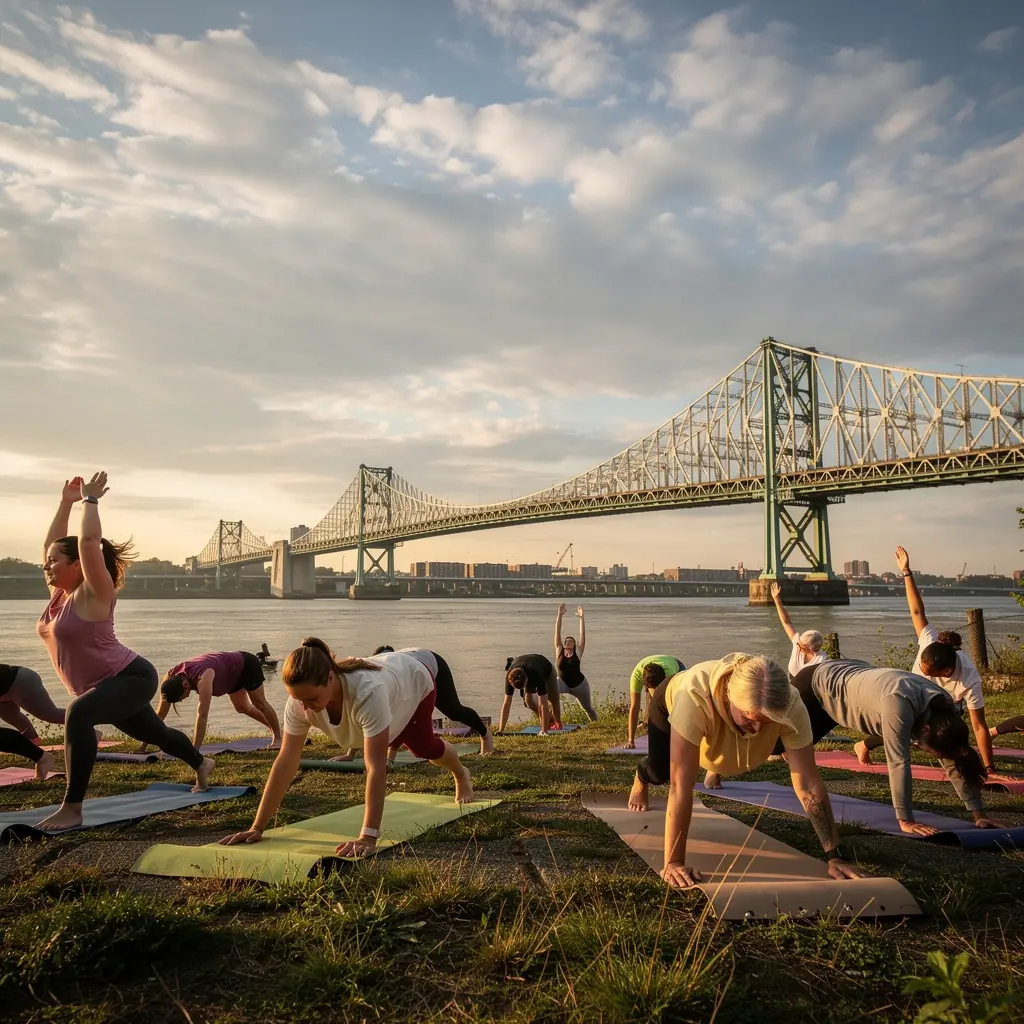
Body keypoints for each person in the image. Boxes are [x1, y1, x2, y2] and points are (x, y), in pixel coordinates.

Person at [34, 474, 214, 831]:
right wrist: (65, 502)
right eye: (47, 562)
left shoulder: (94, 593)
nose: (47, 565)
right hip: (104, 685)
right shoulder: (59, 595)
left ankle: (72, 807)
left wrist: (90, 501)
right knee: (157, 735)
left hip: (130, 678)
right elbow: (51, 546)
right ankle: (201, 763)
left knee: (78, 714)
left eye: (55, 561)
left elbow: (87, 541)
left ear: (76, 566)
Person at [219, 638, 474, 857]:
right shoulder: (299, 703)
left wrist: (368, 837)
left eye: (311, 699)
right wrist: (257, 827)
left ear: (331, 678)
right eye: (298, 699)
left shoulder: (367, 692)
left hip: (413, 682)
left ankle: (461, 774)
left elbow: (375, 767)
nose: (305, 707)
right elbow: (286, 760)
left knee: (423, 747)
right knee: (390, 738)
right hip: (388, 686)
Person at [640, 653, 863, 890]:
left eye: (765, 722)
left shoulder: (791, 705)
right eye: (750, 719)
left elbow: (807, 782)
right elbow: (680, 785)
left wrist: (835, 855)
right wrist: (674, 862)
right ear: (729, 699)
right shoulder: (694, 697)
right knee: (659, 773)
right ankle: (640, 777)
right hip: (670, 700)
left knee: (771, 738)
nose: (757, 729)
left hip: (726, 719)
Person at [787, 660, 1000, 835]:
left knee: (797, 748)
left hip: (850, 686)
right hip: (817, 685)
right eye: (932, 752)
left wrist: (979, 814)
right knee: (779, 746)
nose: (932, 755)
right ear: (925, 730)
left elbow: (953, 758)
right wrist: (905, 819)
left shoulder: (945, 711)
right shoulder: (899, 704)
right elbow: (899, 763)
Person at [854, 547, 997, 772]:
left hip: (945, 703)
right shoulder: (931, 641)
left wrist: (989, 769)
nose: (921, 670)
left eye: (927, 670)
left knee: (950, 731)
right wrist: (906, 572)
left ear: (946, 672)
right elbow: (917, 612)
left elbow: (979, 726)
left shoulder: (968, 680)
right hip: (913, 695)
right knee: (905, 727)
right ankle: (863, 744)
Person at [143, 651, 282, 751]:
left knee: (259, 703)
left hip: (246, 665)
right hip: (231, 676)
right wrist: (143, 746)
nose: (183, 700)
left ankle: (278, 738)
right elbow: (160, 714)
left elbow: (202, 715)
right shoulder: (170, 678)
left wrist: (194, 751)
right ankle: (279, 731)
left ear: (185, 685)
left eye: (182, 698)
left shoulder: (204, 678)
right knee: (242, 707)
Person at [373, 646, 493, 756]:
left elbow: (404, 715)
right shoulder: (376, 674)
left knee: (454, 711)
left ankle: (485, 735)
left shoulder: (400, 673)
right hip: (415, 667)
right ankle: (390, 756)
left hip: (434, 665)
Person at [769, 582, 829, 678]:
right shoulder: (797, 644)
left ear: (811, 650)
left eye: (801, 646)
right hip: (791, 689)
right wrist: (776, 599)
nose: (797, 646)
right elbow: (786, 622)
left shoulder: (822, 660)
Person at [624, 655, 685, 748]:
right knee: (656, 701)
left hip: (677, 666)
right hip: (651, 670)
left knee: (677, 704)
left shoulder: (671, 675)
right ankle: (648, 724)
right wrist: (630, 741)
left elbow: (677, 707)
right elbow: (634, 708)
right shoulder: (636, 676)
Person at [0, 663, 67, 745]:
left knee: (51, 715)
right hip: (5, 689)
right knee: (13, 718)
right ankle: (35, 747)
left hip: (20, 681)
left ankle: (85, 718)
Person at [554, 604, 598, 722]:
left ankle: (596, 724)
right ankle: (552, 720)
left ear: (574, 645)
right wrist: (559, 615)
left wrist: (581, 618)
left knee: (588, 708)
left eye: (571, 641)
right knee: (549, 688)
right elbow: (557, 632)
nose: (568, 642)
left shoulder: (578, 652)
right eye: (566, 641)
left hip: (579, 686)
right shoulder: (559, 650)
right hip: (563, 683)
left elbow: (582, 635)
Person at [498, 654, 560, 734]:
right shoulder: (510, 676)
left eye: (523, 687)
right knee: (528, 702)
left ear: (527, 679)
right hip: (524, 668)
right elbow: (507, 703)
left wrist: (544, 731)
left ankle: (558, 724)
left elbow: (543, 703)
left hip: (546, 668)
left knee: (553, 699)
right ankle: (547, 718)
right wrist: (500, 730)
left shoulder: (537, 674)